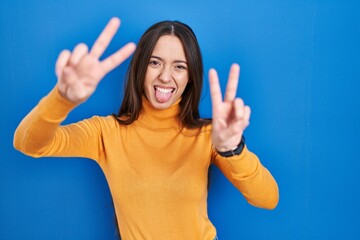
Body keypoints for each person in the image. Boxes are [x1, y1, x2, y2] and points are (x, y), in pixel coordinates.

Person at [14, 17, 279, 240]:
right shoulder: (106, 133)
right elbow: (28, 144)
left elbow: (267, 199)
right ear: (140, 68)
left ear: (190, 78)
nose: (165, 76)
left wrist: (233, 150)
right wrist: (62, 99)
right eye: (155, 62)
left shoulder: (209, 136)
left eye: (179, 66)